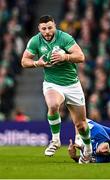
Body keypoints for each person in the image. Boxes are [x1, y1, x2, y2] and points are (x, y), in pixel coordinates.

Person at [21, 15, 92, 163]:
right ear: (39, 29)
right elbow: (24, 61)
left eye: (50, 27)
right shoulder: (35, 41)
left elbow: (81, 56)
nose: (47, 31)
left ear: (55, 26)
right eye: (43, 28)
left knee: (80, 124)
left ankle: (88, 149)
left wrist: (64, 57)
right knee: (53, 105)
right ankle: (55, 140)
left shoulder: (64, 37)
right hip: (52, 83)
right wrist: (37, 63)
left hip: (72, 84)